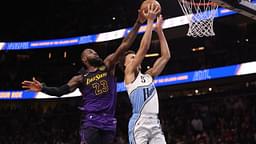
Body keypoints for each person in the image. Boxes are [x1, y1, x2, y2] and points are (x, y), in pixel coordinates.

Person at [21, 10, 145, 144]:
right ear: (84, 59)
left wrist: (138, 22)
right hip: (91, 120)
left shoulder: (108, 65)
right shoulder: (80, 78)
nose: (95, 53)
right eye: (91, 52)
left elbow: (125, 45)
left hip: (109, 122)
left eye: (95, 51)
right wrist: (42, 88)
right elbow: (60, 91)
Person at [120, 4, 170, 144]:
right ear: (125, 64)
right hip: (139, 123)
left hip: (155, 123)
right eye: (131, 58)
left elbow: (165, 57)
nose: (135, 59)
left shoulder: (149, 75)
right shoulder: (129, 74)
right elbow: (144, 48)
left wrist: (159, 31)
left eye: (135, 57)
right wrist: (149, 21)